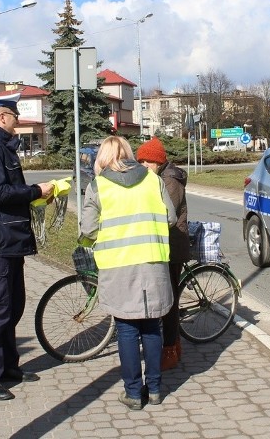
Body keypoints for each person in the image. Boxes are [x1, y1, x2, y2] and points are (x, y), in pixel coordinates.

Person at [0, 93, 55, 401]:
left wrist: (35, 195)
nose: (17, 123)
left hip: (8, 241)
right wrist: (35, 191)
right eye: (14, 117)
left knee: (12, 306)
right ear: (2, 117)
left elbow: (6, 191)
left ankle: (7, 369)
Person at [79, 136, 176, 410]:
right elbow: (169, 217)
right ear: (129, 153)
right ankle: (155, 390)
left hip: (118, 266)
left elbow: (87, 230)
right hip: (152, 262)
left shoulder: (98, 185)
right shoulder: (152, 180)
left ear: (102, 157)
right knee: (151, 325)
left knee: (127, 329)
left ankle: (134, 393)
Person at [136, 136, 188, 371]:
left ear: (157, 161)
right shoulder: (157, 177)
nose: (143, 165)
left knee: (169, 302)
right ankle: (173, 344)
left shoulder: (170, 180)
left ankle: (170, 349)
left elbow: (168, 214)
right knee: (166, 299)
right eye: (141, 161)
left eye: (147, 161)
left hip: (173, 246)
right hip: (162, 244)